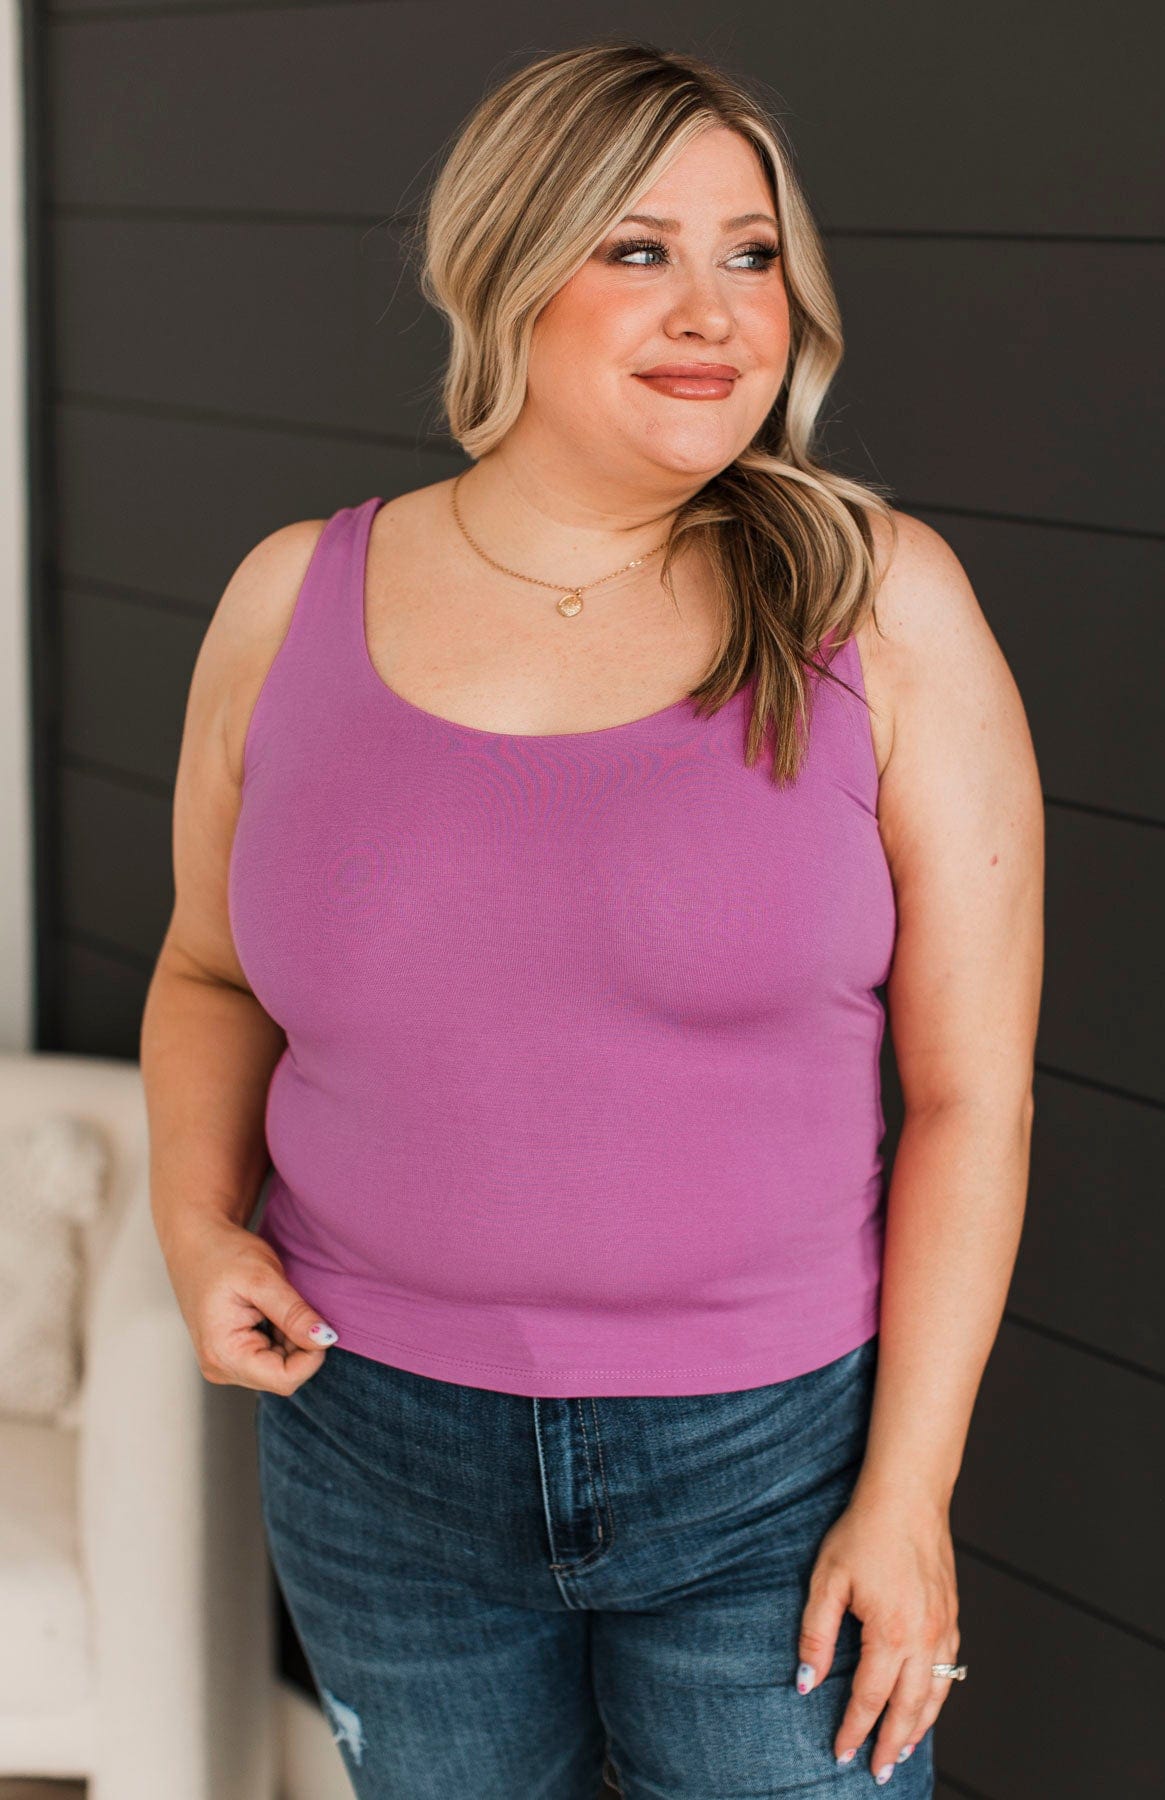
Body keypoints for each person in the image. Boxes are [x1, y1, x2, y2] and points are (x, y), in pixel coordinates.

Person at [140, 37, 1043, 1800]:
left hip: (771, 1474)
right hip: (367, 1445)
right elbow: (206, 972)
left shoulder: (881, 605)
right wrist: (191, 1221)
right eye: (639, 248)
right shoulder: (288, 599)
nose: (715, 309)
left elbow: (971, 1100)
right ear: (504, 268)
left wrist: (909, 1492)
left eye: (751, 254)